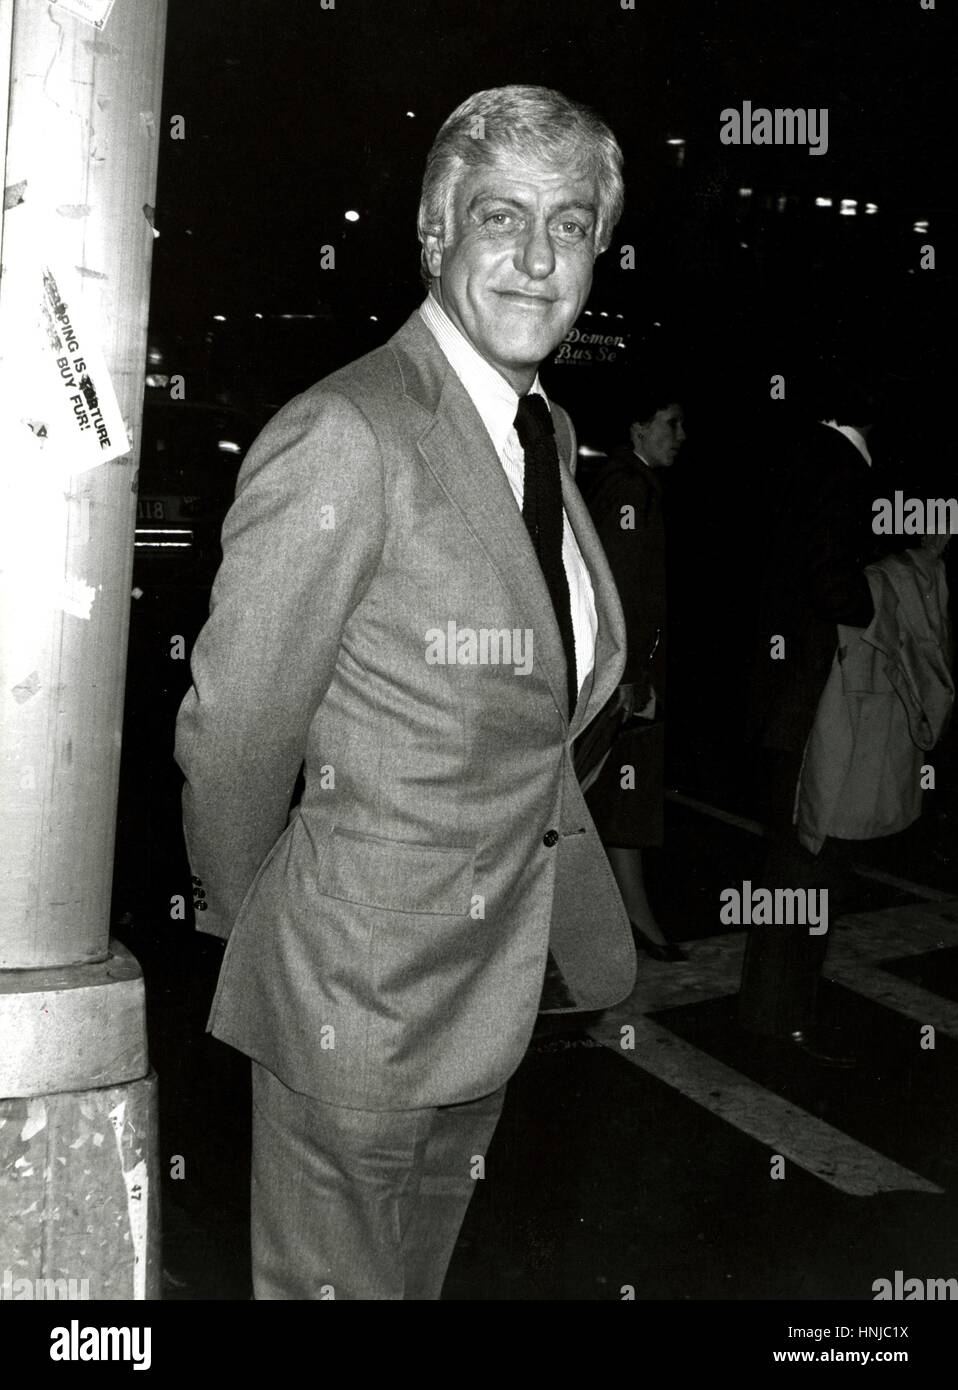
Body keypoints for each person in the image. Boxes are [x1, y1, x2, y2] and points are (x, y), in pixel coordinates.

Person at [174, 85, 636, 1300]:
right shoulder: (349, 432)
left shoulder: (545, 433)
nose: (539, 260)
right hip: (357, 1007)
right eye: (501, 218)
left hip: (487, 992)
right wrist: (277, 933)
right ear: (434, 236)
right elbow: (235, 734)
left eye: (573, 224)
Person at [739, 373, 882, 1065]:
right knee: (810, 860)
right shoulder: (843, 472)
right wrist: (874, 600)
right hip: (814, 698)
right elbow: (834, 584)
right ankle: (784, 1018)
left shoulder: (799, 459)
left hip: (783, 695)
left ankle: (775, 1012)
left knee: (791, 858)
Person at [578, 377, 687, 960]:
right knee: (608, 794)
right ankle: (620, 927)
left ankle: (634, 923)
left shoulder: (634, 485)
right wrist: (631, 678)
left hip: (627, 673)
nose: (681, 436)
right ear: (638, 429)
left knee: (621, 799)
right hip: (625, 677)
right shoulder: (628, 490)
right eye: (671, 423)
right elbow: (619, 591)